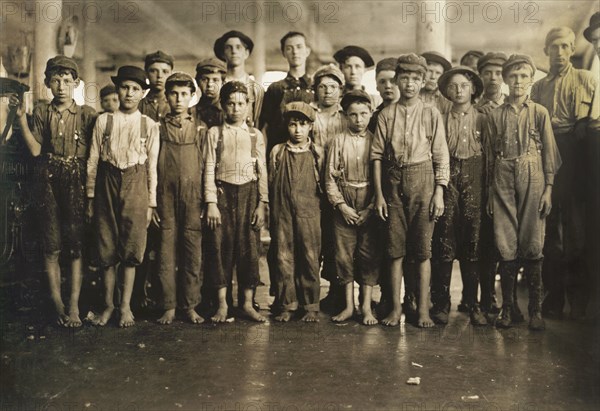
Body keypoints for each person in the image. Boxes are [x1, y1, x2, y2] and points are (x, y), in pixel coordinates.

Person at [11, 55, 97, 327]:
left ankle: (73, 305)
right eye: (56, 80)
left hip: (77, 179)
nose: (61, 86)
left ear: (76, 84)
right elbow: (36, 150)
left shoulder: (87, 115)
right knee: (51, 244)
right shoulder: (41, 112)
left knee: (75, 246)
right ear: (48, 83)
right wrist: (21, 119)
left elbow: (95, 156)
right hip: (47, 177)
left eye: (67, 81)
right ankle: (57, 302)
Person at [371, 54, 450, 328]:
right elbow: (377, 156)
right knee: (394, 250)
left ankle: (424, 311)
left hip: (424, 179)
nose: (410, 84)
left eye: (415, 79)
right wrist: (379, 195)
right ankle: (395, 309)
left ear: (423, 81)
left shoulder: (431, 113)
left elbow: (441, 155)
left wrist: (439, 192)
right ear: (397, 80)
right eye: (404, 78)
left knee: (423, 250)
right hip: (392, 182)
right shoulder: (386, 114)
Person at [485, 54, 562, 330]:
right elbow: (489, 158)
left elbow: (550, 155)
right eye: (513, 76)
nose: (518, 81)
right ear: (505, 80)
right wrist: (491, 194)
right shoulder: (494, 115)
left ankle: (535, 311)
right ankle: (508, 310)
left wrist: (548, 190)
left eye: (523, 76)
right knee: (505, 243)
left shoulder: (539, 112)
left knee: (532, 241)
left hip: (534, 177)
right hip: (502, 179)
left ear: (531, 80)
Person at [531, 27, 599, 320]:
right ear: (546, 51)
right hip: (547, 155)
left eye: (565, 46)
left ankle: (579, 300)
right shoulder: (538, 87)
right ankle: (553, 298)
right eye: (553, 47)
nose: (559, 52)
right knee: (549, 233)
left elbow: (592, 128)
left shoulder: (587, 79)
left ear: (572, 50)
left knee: (576, 233)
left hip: (577, 155)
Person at [86, 65, 160, 327]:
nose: (129, 93)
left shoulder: (149, 125)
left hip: (136, 182)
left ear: (142, 93)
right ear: (118, 89)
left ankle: (125, 307)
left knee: (132, 246)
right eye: (125, 87)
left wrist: (151, 202)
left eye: (136, 89)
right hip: (107, 180)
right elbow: (93, 160)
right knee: (106, 245)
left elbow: (152, 166)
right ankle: (107, 306)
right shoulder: (103, 121)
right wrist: (91, 196)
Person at [203, 81, 268, 323]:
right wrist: (210, 202)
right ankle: (222, 304)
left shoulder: (255, 135)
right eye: (230, 103)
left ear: (249, 106)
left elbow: (262, 171)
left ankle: (247, 304)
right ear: (223, 105)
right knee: (220, 248)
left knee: (249, 248)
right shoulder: (214, 133)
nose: (236, 108)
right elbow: (208, 167)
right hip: (222, 194)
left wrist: (262, 202)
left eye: (241, 103)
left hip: (249, 194)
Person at [430, 66, 487, 326]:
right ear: (446, 92)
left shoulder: (483, 118)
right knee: (444, 241)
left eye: (464, 85)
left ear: (473, 88)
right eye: (453, 86)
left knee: (472, 244)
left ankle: (473, 304)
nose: (459, 90)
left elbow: (490, 158)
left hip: (475, 182)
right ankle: (441, 304)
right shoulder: (440, 117)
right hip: (447, 178)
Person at [155, 72, 207, 325]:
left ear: (192, 96)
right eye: (173, 94)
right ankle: (168, 306)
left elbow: (208, 165)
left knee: (192, 249)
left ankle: (190, 305)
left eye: (184, 94)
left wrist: (208, 200)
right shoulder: (157, 126)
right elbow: (150, 163)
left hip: (193, 195)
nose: (178, 99)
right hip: (164, 193)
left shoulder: (200, 127)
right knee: (166, 250)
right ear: (166, 96)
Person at [325, 90, 381, 325]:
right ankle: (348, 306)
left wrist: (370, 208)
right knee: (343, 255)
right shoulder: (338, 140)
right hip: (345, 200)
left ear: (370, 114)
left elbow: (382, 178)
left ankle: (366, 307)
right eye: (353, 115)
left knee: (368, 255)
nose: (358, 119)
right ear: (346, 116)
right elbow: (329, 178)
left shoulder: (376, 140)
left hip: (369, 199)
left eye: (363, 114)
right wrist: (341, 206)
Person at [269, 102, 323, 322]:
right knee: (283, 256)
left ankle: (310, 305)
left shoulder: (318, 153)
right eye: (293, 124)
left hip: (309, 212)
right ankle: (286, 304)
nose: (298, 130)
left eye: (302, 124)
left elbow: (324, 185)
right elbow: (271, 181)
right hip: (282, 211)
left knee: (310, 256)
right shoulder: (278, 151)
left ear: (310, 126)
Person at [310, 64, 347, 313]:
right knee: (315, 239)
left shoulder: (346, 117)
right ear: (315, 90)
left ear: (340, 91)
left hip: (339, 186)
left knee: (337, 241)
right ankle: (309, 295)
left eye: (333, 87)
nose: (327, 92)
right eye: (322, 86)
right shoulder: (308, 114)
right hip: (311, 185)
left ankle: (338, 294)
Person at [475, 52, 508, 318]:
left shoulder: (512, 107)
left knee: (502, 241)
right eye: (488, 73)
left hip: (505, 181)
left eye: (498, 73)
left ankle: (504, 298)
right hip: (476, 181)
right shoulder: (473, 108)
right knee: (482, 241)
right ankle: (483, 297)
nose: (493, 78)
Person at [260, 31, 314, 156]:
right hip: (280, 154)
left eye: (299, 47)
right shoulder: (275, 89)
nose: (295, 52)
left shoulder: (316, 87)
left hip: (309, 154)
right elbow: (265, 127)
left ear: (307, 51)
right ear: (284, 53)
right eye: (289, 48)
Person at [214, 30, 264, 128]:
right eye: (229, 47)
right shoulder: (217, 85)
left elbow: (258, 123)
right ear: (223, 53)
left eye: (238, 47)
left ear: (246, 53)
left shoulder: (255, 89)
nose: (234, 51)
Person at [368, 57, 401, 134]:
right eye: (382, 82)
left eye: (393, 81)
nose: (388, 86)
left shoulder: (412, 113)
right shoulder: (373, 118)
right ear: (377, 86)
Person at [139, 50, 173, 121]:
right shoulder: (138, 106)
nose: (159, 76)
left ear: (171, 74)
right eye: (153, 71)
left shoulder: (177, 105)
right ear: (146, 73)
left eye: (165, 71)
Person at [193, 57, 226, 129]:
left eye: (215, 80)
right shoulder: (190, 113)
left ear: (223, 83)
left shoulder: (228, 113)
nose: (210, 84)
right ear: (197, 82)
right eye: (204, 79)